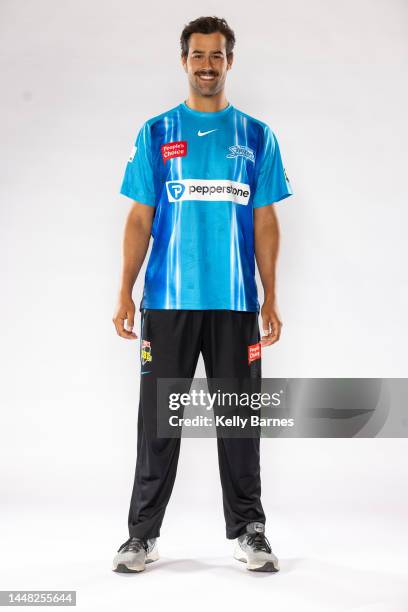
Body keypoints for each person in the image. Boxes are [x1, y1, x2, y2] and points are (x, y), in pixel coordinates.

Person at [112, 15, 293, 573]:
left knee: (239, 418)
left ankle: (250, 530)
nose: (207, 65)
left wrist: (270, 296)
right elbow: (140, 218)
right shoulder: (157, 132)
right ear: (184, 60)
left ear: (229, 61)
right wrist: (125, 291)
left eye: (217, 55)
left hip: (236, 302)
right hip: (166, 303)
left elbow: (265, 222)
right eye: (198, 55)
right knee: (159, 420)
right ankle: (141, 536)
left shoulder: (256, 136)